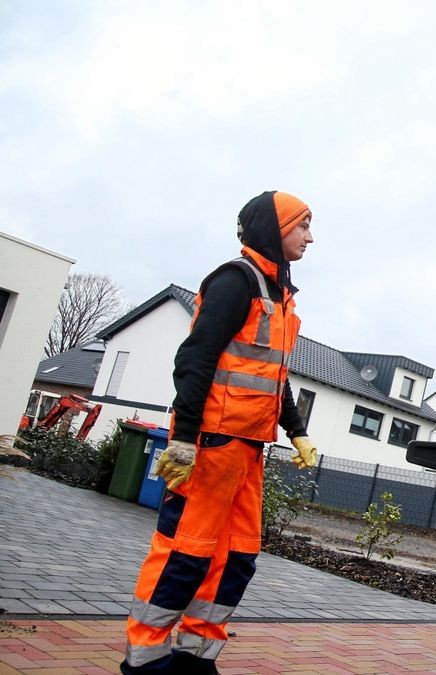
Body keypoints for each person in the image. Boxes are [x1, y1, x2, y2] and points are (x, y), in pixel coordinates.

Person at [121, 191, 320, 674]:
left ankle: (194, 655)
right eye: (302, 226)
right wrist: (185, 439)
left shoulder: (278, 297)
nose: (310, 237)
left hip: (248, 449)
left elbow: (274, 375)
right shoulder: (236, 282)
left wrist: (295, 431)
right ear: (275, 229)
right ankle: (145, 659)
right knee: (185, 552)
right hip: (210, 443)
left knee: (236, 558)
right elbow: (195, 359)